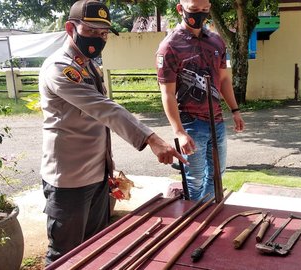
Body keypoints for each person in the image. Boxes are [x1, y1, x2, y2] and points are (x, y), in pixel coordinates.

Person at [38, 0, 185, 265]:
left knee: (94, 248)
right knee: (64, 254)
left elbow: (99, 123)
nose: (98, 38)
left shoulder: (88, 65)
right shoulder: (60, 68)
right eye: (91, 31)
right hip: (69, 181)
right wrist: (151, 138)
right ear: (70, 28)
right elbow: (105, 109)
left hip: (96, 174)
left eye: (103, 34)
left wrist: (108, 168)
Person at [156, 0, 245, 201]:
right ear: (180, 9)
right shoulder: (169, 46)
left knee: (217, 175)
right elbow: (167, 93)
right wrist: (178, 132)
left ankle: (209, 214)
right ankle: (195, 221)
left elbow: (223, 79)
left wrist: (235, 110)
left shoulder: (216, 41)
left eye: (205, 10)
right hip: (191, 124)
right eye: (194, 10)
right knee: (194, 179)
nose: (200, 15)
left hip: (217, 122)